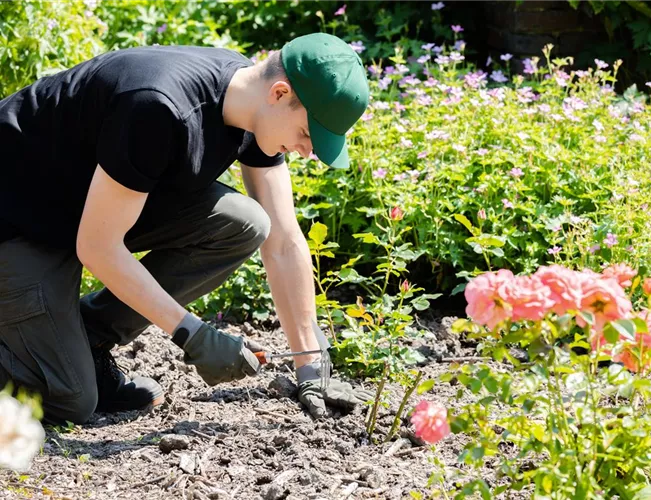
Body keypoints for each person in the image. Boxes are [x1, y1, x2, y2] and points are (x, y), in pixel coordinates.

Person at [0, 32, 373, 425]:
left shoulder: (251, 107)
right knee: (69, 400)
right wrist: (192, 333)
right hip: (18, 221)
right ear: (279, 94)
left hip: (77, 208)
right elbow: (97, 247)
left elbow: (281, 239)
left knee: (244, 223)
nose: (306, 151)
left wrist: (309, 362)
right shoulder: (158, 107)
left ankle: (86, 341)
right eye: (305, 134)